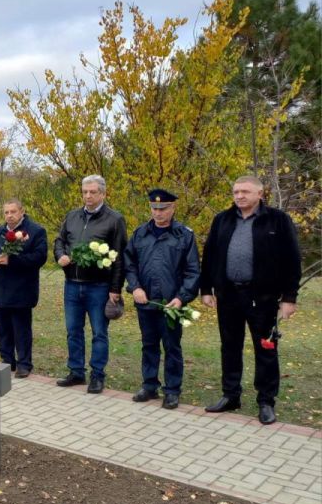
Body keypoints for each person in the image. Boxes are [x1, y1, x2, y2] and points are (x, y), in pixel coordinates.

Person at [199, 176, 302, 425]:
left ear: (259, 193)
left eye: (245, 191)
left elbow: (292, 260)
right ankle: (230, 395)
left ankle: (266, 402)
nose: (239, 196)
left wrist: (289, 298)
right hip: (228, 296)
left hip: (263, 298)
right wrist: (206, 289)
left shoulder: (277, 220)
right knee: (230, 347)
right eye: (236, 191)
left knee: (265, 350)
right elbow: (210, 256)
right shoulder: (222, 220)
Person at [124, 189, 200, 410]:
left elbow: (193, 271)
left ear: (173, 208)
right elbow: (129, 264)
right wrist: (135, 287)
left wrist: (181, 298)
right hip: (145, 302)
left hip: (170, 304)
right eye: (154, 208)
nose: (158, 213)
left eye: (163, 208)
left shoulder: (184, 235)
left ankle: (172, 390)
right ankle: (149, 386)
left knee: (172, 347)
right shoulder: (140, 233)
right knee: (149, 345)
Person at [52, 174, 127, 394]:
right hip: (72, 284)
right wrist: (60, 256)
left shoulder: (114, 219)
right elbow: (59, 241)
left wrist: (115, 288)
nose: (88, 196)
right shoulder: (72, 216)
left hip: (99, 286)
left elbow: (120, 257)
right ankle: (76, 371)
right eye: (85, 192)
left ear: (103, 193)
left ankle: (97, 375)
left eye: (93, 192)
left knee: (99, 333)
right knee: (73, 330)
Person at [0, 198, 48, 378]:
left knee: (21, 329)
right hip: (1, 287)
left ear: (22, 212)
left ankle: (24, 364)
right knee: (3, 328)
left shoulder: (35, 231)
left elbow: (39, 258)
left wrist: (13, 261)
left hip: (22, 289)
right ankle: (7, 361)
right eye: (6, 212)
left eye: (13, 212)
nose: (9, 216)